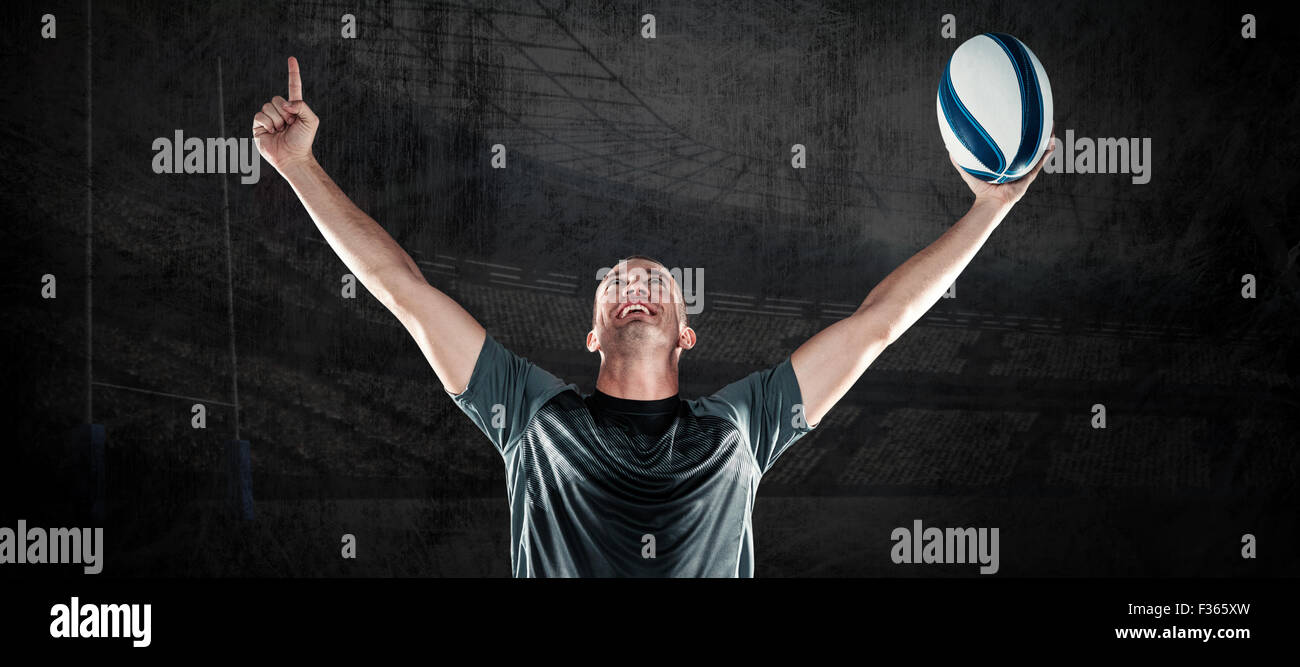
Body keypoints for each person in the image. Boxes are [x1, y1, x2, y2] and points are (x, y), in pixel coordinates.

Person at [252, 56, 1052, 577]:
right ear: (592, 332)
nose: (636, 284)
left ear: (686, 332)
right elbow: (403, 289)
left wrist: (988, 210)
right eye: (617, 283)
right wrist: (300, 169)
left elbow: (880, 322)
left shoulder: (743, 426)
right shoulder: (529, 415)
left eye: (657, 283)